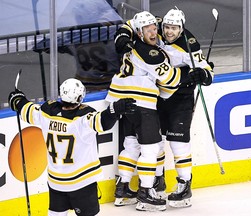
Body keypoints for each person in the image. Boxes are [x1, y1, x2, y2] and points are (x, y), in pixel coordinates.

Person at [113, 8, 214, 208]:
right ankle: (152, 184)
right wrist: (123, 34)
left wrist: (202, 75)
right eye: (166, 27)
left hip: (177, 98)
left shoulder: (189, 45)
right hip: (153, 97)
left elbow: (208, 72)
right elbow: (169, 78)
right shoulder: (153, 33)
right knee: (152, 145)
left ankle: (183, 184)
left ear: (182, 28)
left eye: (174, 28)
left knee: (176, 143)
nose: (168, 32)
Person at [8, 78, 137, 216]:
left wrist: (18, 99)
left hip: (56, 182)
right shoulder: (82, 118)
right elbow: (102, 122)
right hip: (82, 182)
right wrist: (114, 110)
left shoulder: (47, 111)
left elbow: (26, 110)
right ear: (81, 97)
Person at [106, 11, 191, 211]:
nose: (154, 33)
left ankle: (123, 189)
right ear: (139, 31)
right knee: (151, 149)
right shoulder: (152, 53)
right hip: (142, 103)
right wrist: (188, 72)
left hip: (122, 101)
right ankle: (146, 193)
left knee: (131, 144)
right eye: (148, 29)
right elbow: (170, 81)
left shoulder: (133, 46)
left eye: (154, 28)